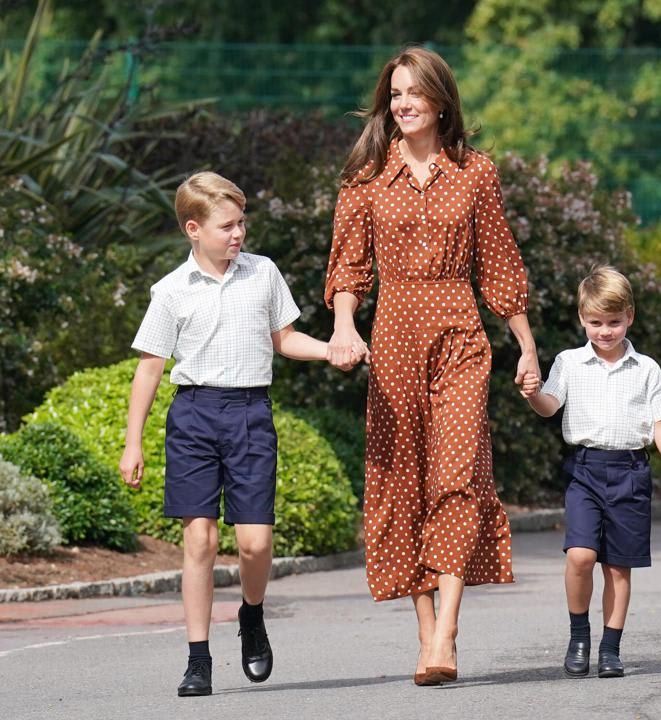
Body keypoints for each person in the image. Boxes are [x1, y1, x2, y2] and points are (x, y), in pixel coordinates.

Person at [323, 46, 539, 687]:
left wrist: (526, 345)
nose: (404, 103)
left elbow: (498, 263)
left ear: (442, 100)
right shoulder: (364, 176)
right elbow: (348, 267)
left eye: (415, 92)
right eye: (395, 94)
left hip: (460, 338)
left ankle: (447, 630)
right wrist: (342, 326)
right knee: (402, 485)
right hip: (392, 341)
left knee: (455, 472)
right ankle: (426, 639)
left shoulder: (476, 173)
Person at [119, 171, 332, 696]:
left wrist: (330, 349)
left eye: (242, 223)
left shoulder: (262, 274)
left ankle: (252, 616)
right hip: (193, 415)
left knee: (255, 544)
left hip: (249, 413)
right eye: (227, 225)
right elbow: (149, 368)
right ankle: (198, 660)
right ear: (194, 229)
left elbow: (285, 338)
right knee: (200, 539)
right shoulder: (170, 291)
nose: (238, 234)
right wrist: (133, 442)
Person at [521, 265, 661, 678]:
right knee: (580, 555)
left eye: (613, 322)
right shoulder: (569, 362)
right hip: (586, 470)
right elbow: (549, 406)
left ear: (629, 316)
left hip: (630, 471)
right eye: (596, 322)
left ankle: (611, 649)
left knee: (617, 566)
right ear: (582, 319)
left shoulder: (645, 368)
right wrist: (532, 394)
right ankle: (580, 635)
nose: (605, 331)